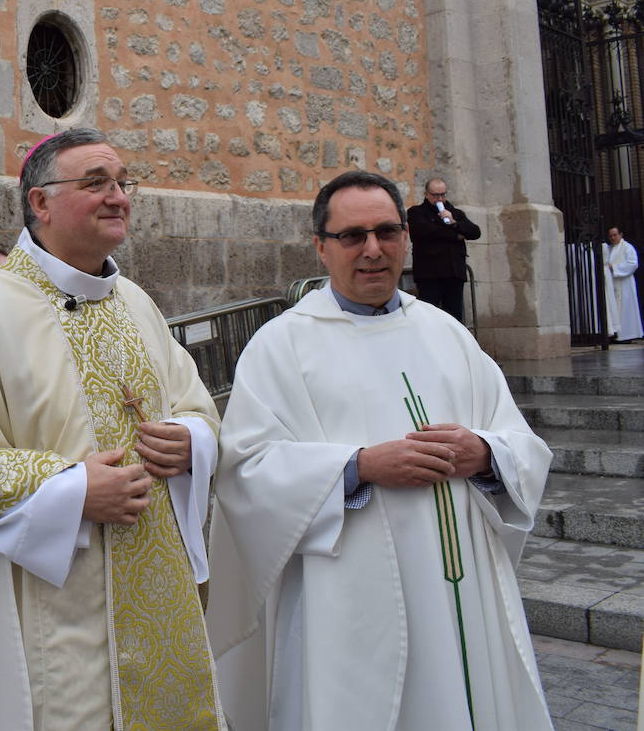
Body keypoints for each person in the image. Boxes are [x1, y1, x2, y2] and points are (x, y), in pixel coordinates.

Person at [207, 170, 553, 731]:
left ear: (406, 239)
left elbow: (524, 444)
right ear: (321, 247)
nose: (373, 250)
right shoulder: (282, 346)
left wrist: (484, 453)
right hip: (351, 596)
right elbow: (245, 470)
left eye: (387, 232)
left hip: (462, 587)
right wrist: (358, 466)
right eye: (352, 236)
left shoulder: (448, 333)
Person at [0, 128, 224, 731]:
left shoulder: (136, 302)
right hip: (61, 620)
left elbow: (199, 407)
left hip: (166, 609)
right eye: (95, 183)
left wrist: (192, 440)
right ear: (41, 202)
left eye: (123, 183)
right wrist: (72, 490)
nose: (118, 196)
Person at [407, 177, 481, 322]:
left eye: (443, 195)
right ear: (426, 194)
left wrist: (454, 223)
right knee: (429, 317)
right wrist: (457, 235)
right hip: (429, 274)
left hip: (454, 273)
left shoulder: (455, 213)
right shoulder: (417, 212)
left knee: (454, 318)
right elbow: (425, 232)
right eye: (435, 195)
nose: (439, 199)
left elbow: (474, 232)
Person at [604, 226, 643, 341]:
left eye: (615, 235)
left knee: (625, 309)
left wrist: (614, 268)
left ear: (621, 234)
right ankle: (615, 334)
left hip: (624, 283)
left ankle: (626, 335)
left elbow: (633, 263)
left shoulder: (627, 247)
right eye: (610, 236)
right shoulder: (609, 249)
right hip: (612, 284)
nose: (613, 238)